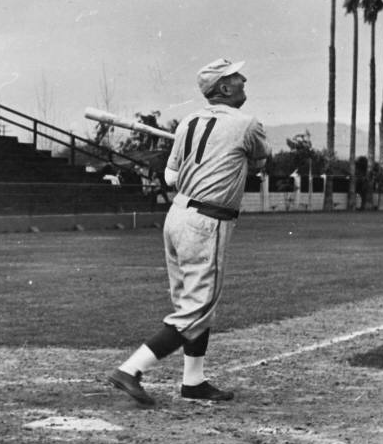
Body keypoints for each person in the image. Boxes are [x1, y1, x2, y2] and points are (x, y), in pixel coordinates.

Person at [107, 58, 272, 407]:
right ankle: (131, 369)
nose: (243, 79)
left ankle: (193, 381)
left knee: (191, 302)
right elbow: (259, 163)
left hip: (177, 217)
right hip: (208, 222)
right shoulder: (247, 124)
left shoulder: (188, 122)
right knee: (197, 308)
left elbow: (170, 177)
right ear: (224, 88)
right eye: (236, 77)